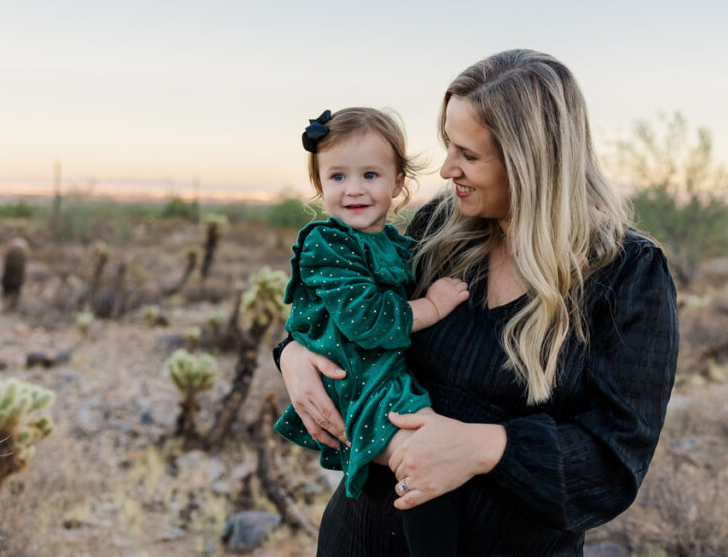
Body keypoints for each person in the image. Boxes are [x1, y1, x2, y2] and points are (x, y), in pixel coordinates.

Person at [275, 49, 679, 556]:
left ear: (530, 161)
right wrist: (291, 353)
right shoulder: (439, 228)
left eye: (467, 154)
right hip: (361, 539)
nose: (446, 169)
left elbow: (616, 464)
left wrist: (485, 447)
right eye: (448, 145)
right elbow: (351, 306)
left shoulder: (627, 273)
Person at [273, 107, 469, 557]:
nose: (354, 189)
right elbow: (369, 321)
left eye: (370, 174)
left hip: (381, 378)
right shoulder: (327, 243)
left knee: (432, 463)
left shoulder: (399, 244)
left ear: (398, 182)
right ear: (320, 185)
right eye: (337, 177)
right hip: (355, 382)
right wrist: (433, 306)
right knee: (423, 459)